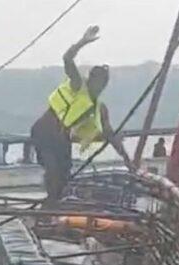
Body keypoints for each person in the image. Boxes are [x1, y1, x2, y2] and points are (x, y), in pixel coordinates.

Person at [30, 25, 133, 206]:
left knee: (64, 175)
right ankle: (50, 207)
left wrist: (128, 161)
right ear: (90, 79)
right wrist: (83, 42)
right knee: (53, 171)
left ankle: (56, 205)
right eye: (97, 81)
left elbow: (111, 135)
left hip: (62, 139)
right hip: (44, 132)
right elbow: (67, 59)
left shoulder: (100, 109)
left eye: (104, 83)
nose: (100, 86)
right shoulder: (78, 85)